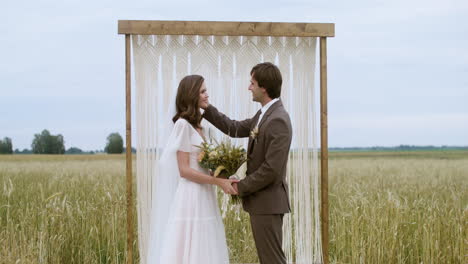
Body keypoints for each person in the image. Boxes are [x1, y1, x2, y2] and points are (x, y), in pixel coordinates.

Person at [202, 62, 292, 264]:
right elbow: (233, 127)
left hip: (268, 204)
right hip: (262, 203)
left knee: (272, 260)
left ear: (264, 88)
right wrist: (206, 109)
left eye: (252, 83)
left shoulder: (278, 120)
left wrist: (239, 186)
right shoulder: (263, 115)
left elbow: (272, 170)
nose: (248, 87)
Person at [146, 75, 238, 264]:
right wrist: (216, 181)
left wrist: (225, 176)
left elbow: (206, 165)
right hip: (191, 196)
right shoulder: (182, 125)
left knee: (206, 245)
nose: (207, 95)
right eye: (203, 91)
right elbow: (184, 170)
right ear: (191, 95)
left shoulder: (201, 128)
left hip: (205, 194)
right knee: (191, 246)